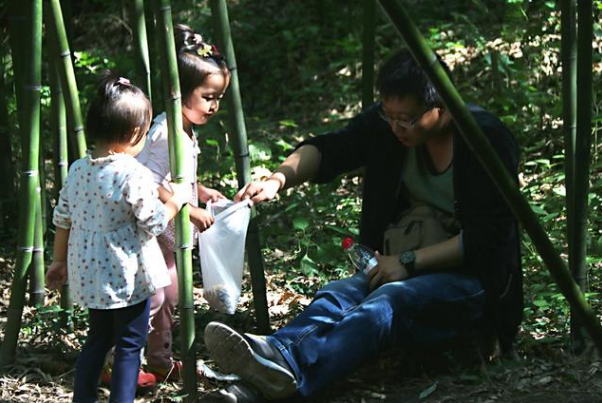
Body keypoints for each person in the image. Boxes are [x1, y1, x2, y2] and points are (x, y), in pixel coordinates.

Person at [203, 49, 523, 400]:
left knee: (385, 303)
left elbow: (488, 238)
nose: (397, 128)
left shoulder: (484, 138)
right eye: (390, 117)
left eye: (408, 119)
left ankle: (278, 384)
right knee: (340, 293)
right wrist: (278, 179)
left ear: (442, 106)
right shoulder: (389, 127)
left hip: (470, 281)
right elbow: (331, 149)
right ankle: (275, 358)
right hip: (400, 260)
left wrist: (407, 263)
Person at [45, 75, 190, 403]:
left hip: (91, 276)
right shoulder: (132, 172)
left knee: (97, 340)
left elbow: (62, 220)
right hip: (128, 276)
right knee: (128, 344)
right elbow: (153, 221)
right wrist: (176, 201)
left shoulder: (79, 170)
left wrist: (57, 261)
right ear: (134, 133)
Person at [129, 23, 231, 385]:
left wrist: (200, 191)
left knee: (171, 297)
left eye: (219, 97)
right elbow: (145, 180)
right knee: (155, 298)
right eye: (208, 96)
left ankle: (159, 360)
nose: (215, 106)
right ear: (181, 92)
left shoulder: (185, 130)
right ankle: (121, 361)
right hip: (152, 232)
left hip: (170, 235)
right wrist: (188, 208)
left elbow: (178, 175)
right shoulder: (162, 131)